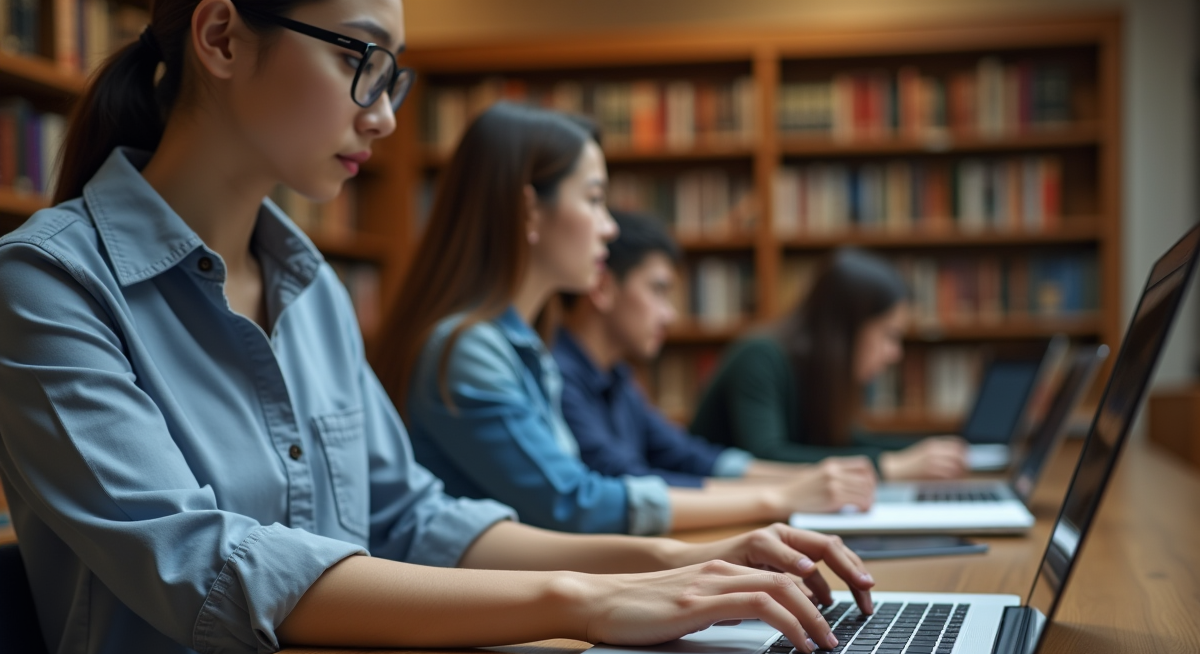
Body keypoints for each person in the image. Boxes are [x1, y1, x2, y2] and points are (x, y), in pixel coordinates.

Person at [0, 0, 874, 654]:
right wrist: (581, 599)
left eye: (394, 73)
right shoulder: (46, 283)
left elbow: (416, 521)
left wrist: (683, 562)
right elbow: (205, 566)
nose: (382, 113)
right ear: (222, 37)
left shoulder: (315, 291)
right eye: (363, 58)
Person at [376, 102, 875, 539]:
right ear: (529, 210)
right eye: (593, 200)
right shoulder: (469, 348)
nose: (609, 227)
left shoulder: (522, 344)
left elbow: (648, 468)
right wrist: (779, 498)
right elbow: (572, 502)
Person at [555, 208, 873, 493]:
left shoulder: (616, 376)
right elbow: (622, 481)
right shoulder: (558, 375)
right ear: (603, 288)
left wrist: (799, 480)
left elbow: (684, 454)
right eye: (658, 290)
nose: (670, 315)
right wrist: (776, 495)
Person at [690, 247, 969, 481]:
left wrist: (926, 450)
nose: (894, 353)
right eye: (889, 335)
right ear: (848, 330)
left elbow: (849, 440)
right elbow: (767, 456)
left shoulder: (816, 372)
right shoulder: (759, 357)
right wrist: (891, 466)